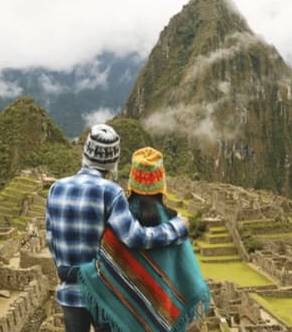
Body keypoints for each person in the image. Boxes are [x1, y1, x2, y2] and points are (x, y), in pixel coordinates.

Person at [46, 125, 188, 332]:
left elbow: (51, 240)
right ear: (113, 163)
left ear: (85, 155)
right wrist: (176, 228)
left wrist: (69, 269)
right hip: (102, 294)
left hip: (69, 293)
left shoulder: (56, 188)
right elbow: (135, 237)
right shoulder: (111, 192)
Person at [79, 147, 210, 332]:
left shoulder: (118, 220)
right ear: (161, 182)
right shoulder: (175, 223)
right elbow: (190, 280)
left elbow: (102, 269)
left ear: (132, 180)